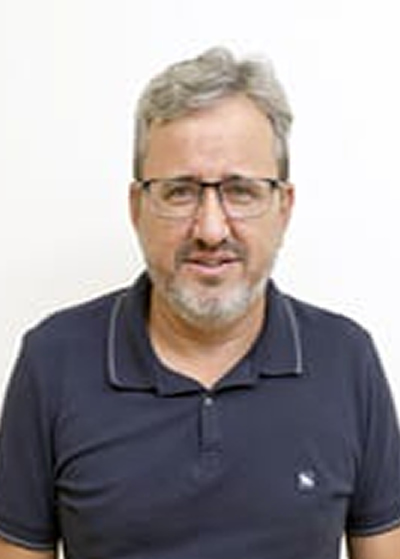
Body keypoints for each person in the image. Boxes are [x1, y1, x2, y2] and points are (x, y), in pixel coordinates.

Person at [0, 46, 399, 559]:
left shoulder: (346, 359)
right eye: (180, 192)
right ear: (137, 207)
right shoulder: (53, 360)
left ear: (283, 207)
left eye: (241, 191)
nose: (211, 230)